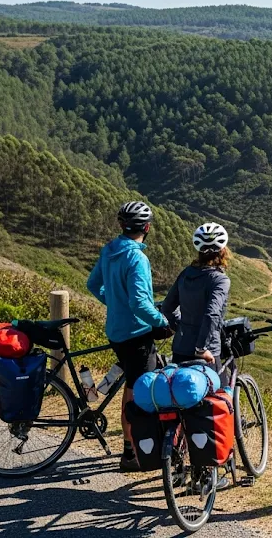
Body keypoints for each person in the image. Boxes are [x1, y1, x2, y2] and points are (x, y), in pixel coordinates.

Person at [87, 201, 173, 471]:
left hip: (116, 330)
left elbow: (93, 284)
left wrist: (114, 303)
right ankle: (132, 453)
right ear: (147, 228)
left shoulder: (110, 250)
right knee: (138, 393)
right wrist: (162, 321)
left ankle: (132, 446)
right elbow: (139, 303)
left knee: (131, 384)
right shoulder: (137, 258)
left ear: (122, 226)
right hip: (136, 333)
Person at [160, 222, 231, 373]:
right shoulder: (220, 280)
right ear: (223, 250)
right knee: (221, 386)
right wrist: (201, 348)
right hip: (207, 352)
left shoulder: (186, 273)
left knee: (178, 386)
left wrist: (180, 326)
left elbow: (167, 307)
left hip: (180, 348)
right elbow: (212, 314)